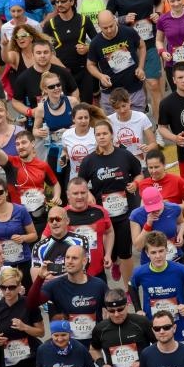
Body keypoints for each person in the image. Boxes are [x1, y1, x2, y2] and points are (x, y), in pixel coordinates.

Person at [78, 120, 142, 285]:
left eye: (104, 133)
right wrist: (88, 194)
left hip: (126, 211)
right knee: (111, 252)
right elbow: (79, 183)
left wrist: (135, 183)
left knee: (126, 252)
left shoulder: (124, 155)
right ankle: (115, 262)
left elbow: (139, 173)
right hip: (103, 214)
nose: (101, 137)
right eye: (98, 134)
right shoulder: (89, 161)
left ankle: (128, 289)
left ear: (112, 135)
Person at [0, 124, 61, 236]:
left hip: (39, 216)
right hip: (17, 217)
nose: (20, 146)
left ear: (32, 143)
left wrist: (57, 196)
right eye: (17, 144)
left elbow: (55, 184)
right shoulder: (11, 163)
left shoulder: (43, 166)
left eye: (24, 143)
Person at [129, 232, 184, 344]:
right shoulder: (140, 272)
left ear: (166, 250)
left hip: (177, 325)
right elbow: (131, 286)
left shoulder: (179, 269)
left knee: (182, 359)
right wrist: (138, 309)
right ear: (147, 253)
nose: (158, 256)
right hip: (154, 327)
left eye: (161, 251)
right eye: (153, 252)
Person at [29, 245, 108, 348]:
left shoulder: (98, 284)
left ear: (84, 261)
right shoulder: (55, 285)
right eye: (67, 257)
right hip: (68, 347)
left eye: (74, 258)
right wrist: (40, 278)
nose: (69, 261)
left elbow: (115, 309)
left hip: (94, 346)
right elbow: (31, 303)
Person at [90, 288, 155, 367]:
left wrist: (144, 362)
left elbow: (158, 344)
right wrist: (102, 365)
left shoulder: (141, 322)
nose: (116, 314)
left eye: (120, 309)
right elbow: (93, 349)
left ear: (127, 305)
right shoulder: (100, 329)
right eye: (111, 311)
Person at [87, 9, 147, 114]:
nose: (109, 30)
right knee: (114, 127)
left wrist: (140, 67)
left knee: (137, 123)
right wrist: (100, 76)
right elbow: (90, 65)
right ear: (99, 26)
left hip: (133, 88)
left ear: (115, 20)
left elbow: (142, 46)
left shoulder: (128, 32)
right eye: (105, 28)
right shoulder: (95, 43)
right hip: (111, 93)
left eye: (111, 26)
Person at [34, 319, 98, 367]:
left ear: (69, 334)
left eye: (63, 335)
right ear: (51, 335)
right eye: (56, 335)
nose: (60, 339)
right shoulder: (43, 349)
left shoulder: (80, 348)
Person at [130, 186, 184, 265]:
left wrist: (180, 234)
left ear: (161, 199)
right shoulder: (136, 215)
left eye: (157, 206)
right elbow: (138, 247)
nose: (155, 210)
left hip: (174, 259)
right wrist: (148, 224)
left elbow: (181, 223)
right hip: (150, 264)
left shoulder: (174, 208)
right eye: (151, 208)